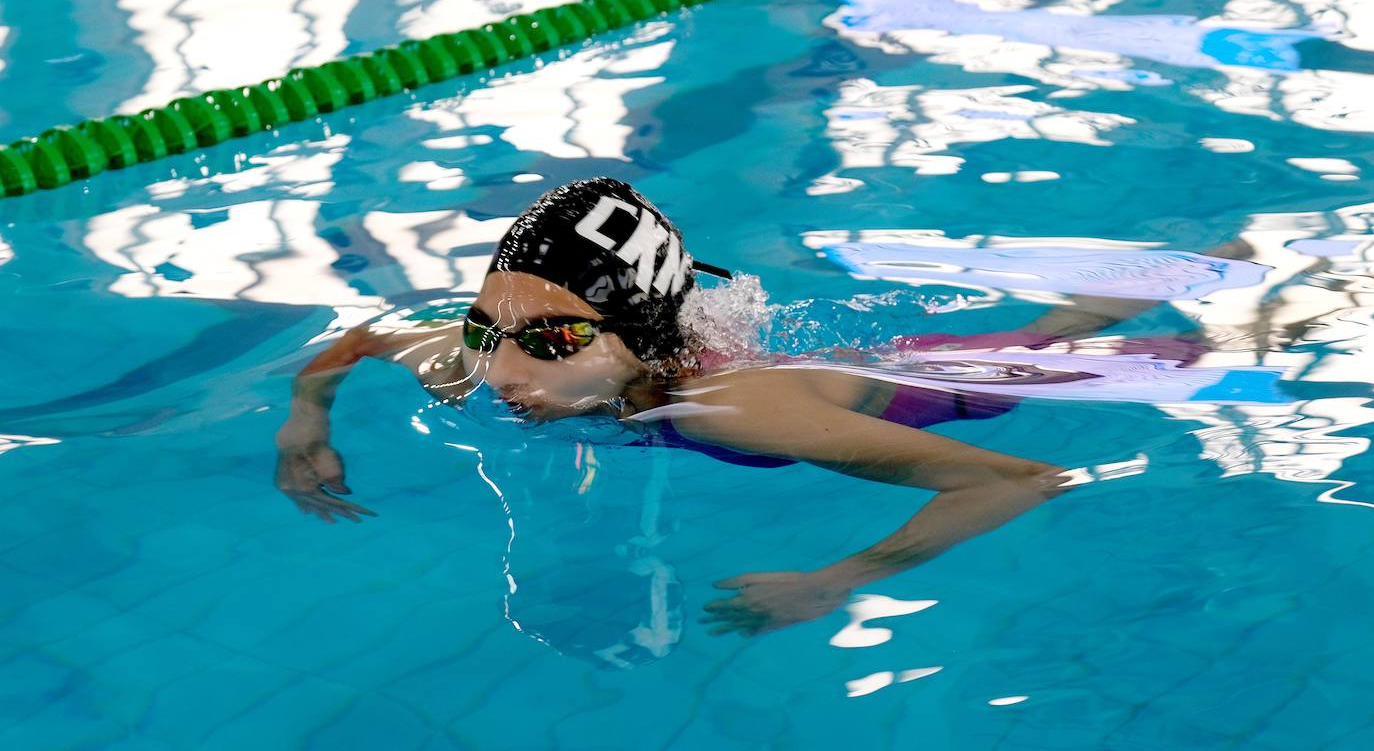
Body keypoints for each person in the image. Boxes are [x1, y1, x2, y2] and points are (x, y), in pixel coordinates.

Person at [275, 178, 1279, 636]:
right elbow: (363, 341)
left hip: (936, 388)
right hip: (843, 363)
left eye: (551, 339)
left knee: (1071, 353)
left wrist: (838, 579)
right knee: (1040, 331)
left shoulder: (734, 409)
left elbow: (1021, 481)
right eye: (486, 326)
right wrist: (303, 424)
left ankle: (1284, 284)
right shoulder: (477, 361)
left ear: (643, 340)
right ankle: (1219, 262)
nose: (498, 370)